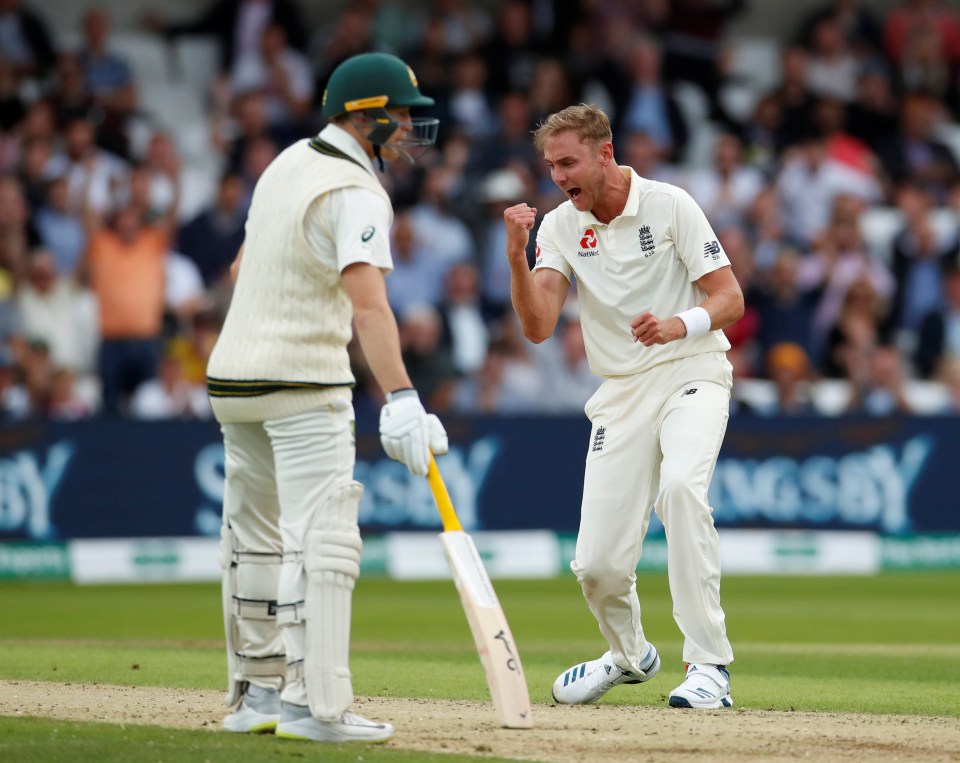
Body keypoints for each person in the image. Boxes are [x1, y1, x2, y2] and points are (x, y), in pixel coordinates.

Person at [204, 52, 447, 744]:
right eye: (399, 116)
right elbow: (369, 307)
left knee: (252, 537)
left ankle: (256, 693)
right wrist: (401, 394)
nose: (408, 128)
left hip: (234, 380)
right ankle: (315, 707)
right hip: (303, 382)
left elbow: (241, 266)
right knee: (323, 540)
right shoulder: (357, 191)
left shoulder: (284, 165)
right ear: (363, 116)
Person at [503, 104, 744, 710]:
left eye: (568, 162)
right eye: (550, 166)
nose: (558, 177)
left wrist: (677, 325)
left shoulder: (670, 204)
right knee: (596, 568)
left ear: (604, 152)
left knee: (683, 490)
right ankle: (630, 654)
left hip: (692, 369)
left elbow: (729, 298)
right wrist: (515, 255)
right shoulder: (560, 226)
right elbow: (537, 327)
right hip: (620, 394)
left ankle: (709, 665)